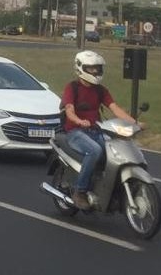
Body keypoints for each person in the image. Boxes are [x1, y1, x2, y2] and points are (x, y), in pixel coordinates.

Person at [60, 50, 138, 210]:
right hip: (75, 132)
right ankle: (80, 191)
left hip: (96, 130)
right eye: (91, 68)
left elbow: (115, 108)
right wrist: (79, 121)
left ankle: (105, 188)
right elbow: (69, 110)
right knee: (95, 151)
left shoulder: (100, 90)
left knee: (115, 152)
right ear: (80, 68)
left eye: (97, 68)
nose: (95, 71)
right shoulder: (72, 88)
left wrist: (135, 123)